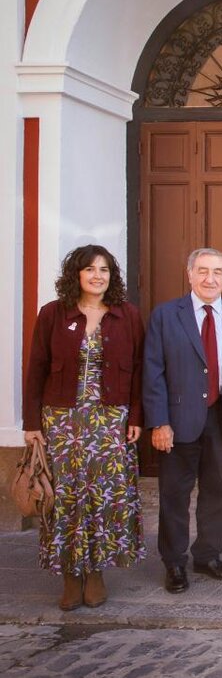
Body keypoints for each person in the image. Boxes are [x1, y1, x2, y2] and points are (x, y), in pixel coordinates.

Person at [23, 246, 146, 610]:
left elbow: (139, 369)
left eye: (104, 269)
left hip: (110, 420)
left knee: (104, 496)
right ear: (75, 274)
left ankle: (95, 574)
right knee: (65, 497)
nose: (97, 276)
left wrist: (136, 417)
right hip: (62, 420)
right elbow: (37, 367)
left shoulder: (127, 315)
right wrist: (31, 423)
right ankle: (70, 576)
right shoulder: (53, 313)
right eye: (90, 269)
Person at [144, 248, 222, 594]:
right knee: (175, 494)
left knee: (216, 492)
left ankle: (208, 555)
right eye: (202, 271)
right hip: (178, 420)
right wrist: (159, 421)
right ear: (189, 274)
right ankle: (174, 562)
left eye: (217, 272)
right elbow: (153, 371)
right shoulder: (166, 315)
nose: (209, 279)